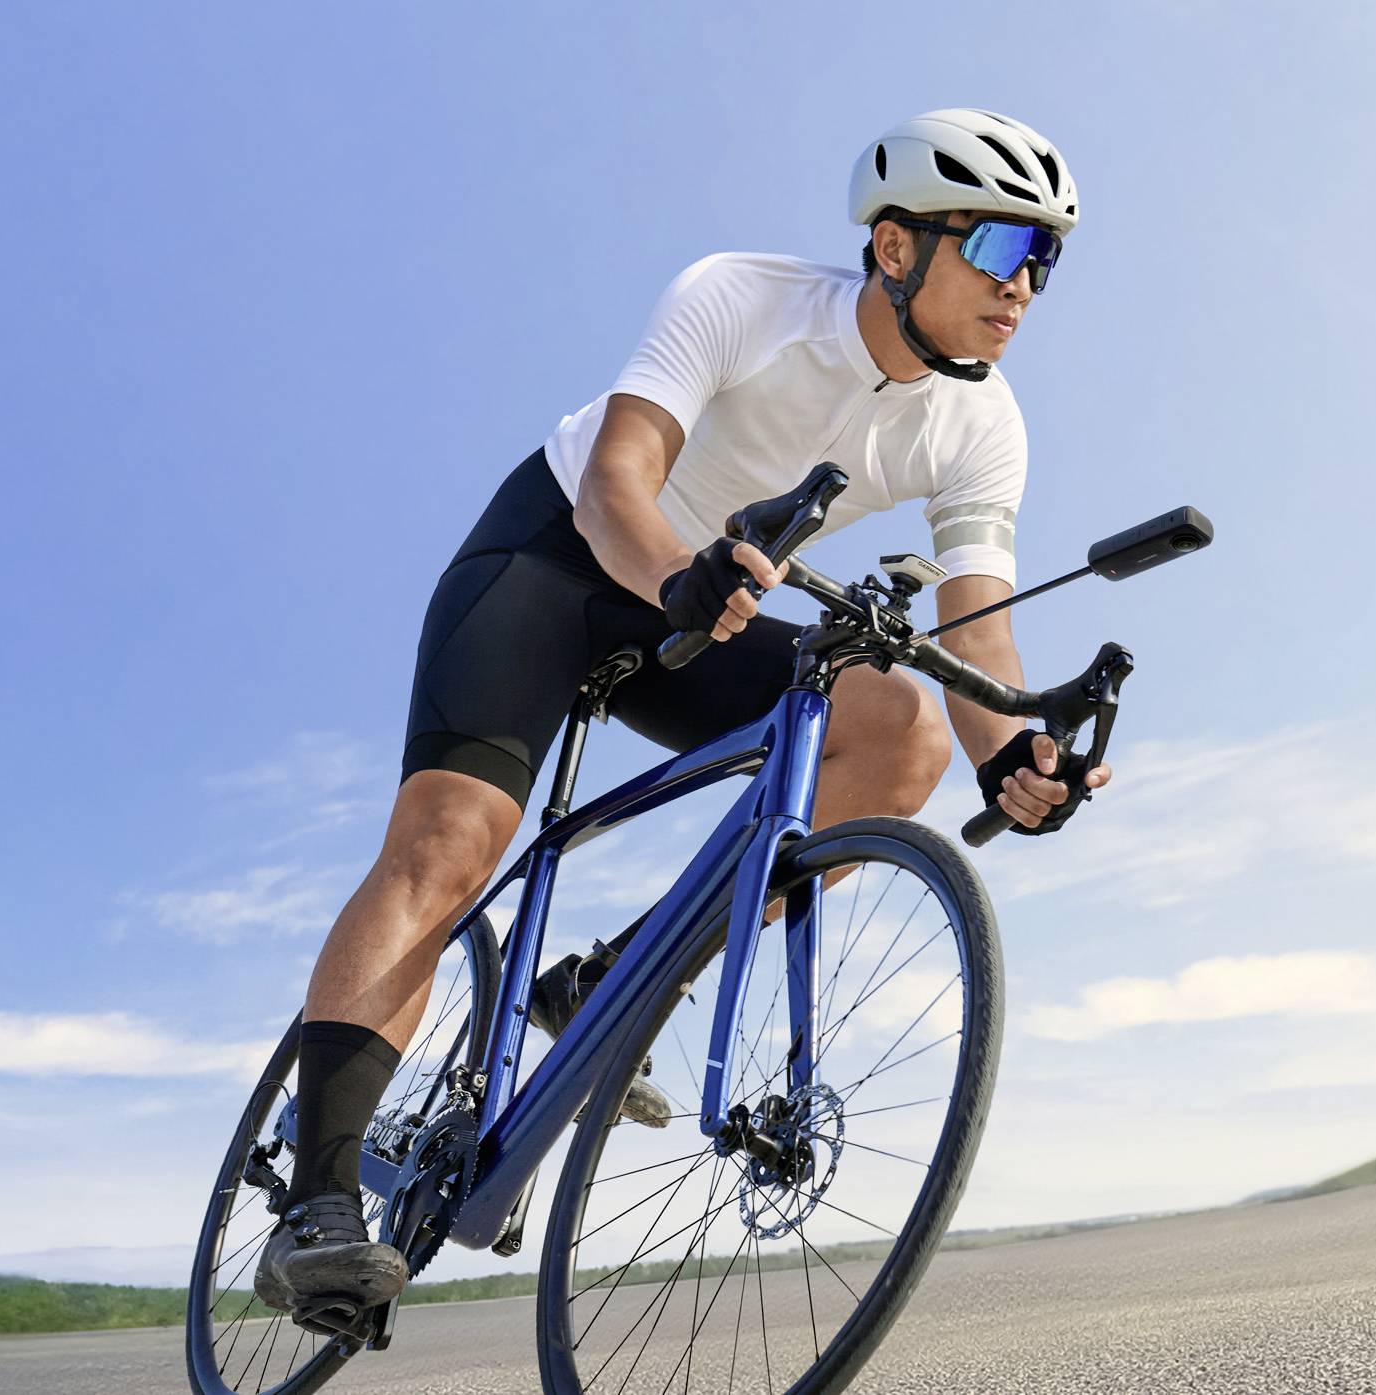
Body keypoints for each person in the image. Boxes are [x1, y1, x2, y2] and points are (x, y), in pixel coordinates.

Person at [256, 108, 1115, 1321]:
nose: (1023, 287)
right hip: (556, 565)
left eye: (1046, 262)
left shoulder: (983, 420)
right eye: (999, 251)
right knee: (447, 847)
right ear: (895, 249)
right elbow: (618, 480)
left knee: (903, 728)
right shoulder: (742, 297)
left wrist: (1016, 754)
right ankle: (317, 1205)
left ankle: (610, 981)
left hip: (706, 602)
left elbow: (975, 630)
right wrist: (674, 576)